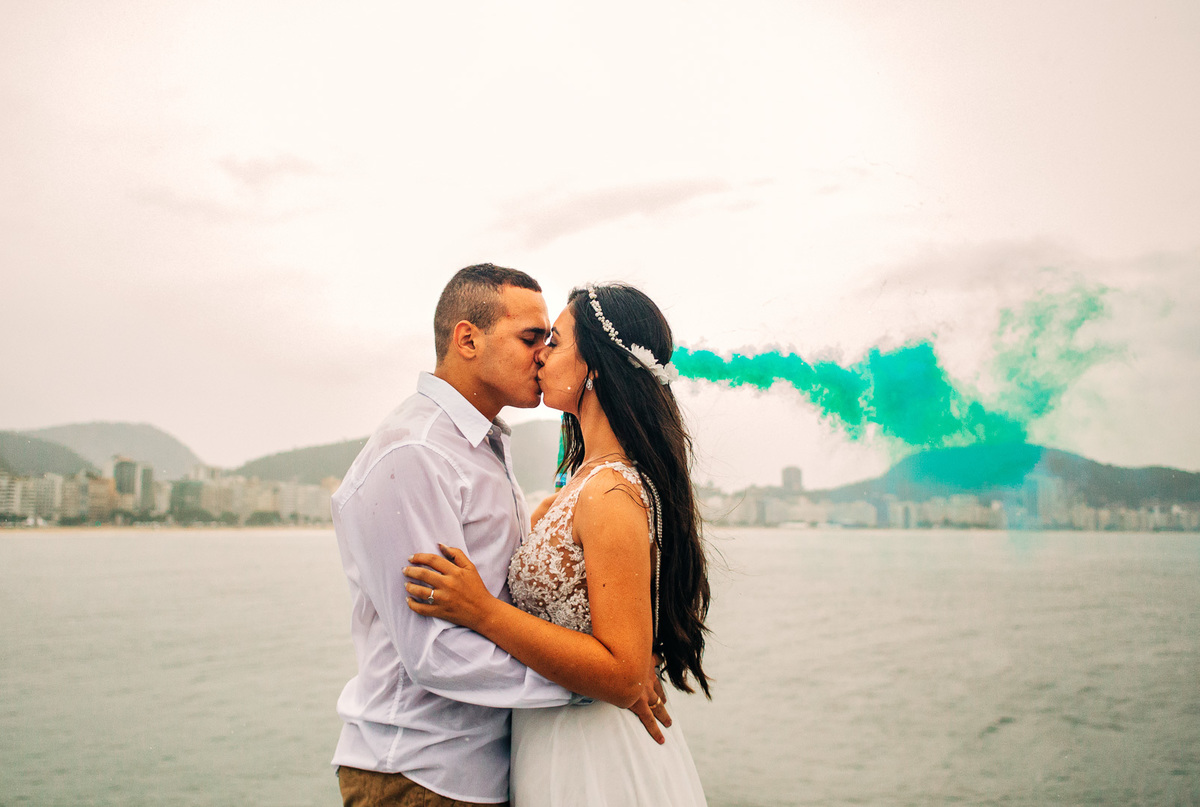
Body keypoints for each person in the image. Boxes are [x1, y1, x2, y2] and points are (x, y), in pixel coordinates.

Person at [330, 266, 668, 807]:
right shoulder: (415, 453)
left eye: (551, 341)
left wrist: (609, 674)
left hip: (495, 765)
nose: (541, 355)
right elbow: (435, 652)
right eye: (531, 338)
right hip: (422, 770)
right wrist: (598, 685)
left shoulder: (487, 445)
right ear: (468, 339)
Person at [405, 282, 712, 806]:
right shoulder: (581, 488)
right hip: (547, 741)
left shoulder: (611, 493)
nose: (542, 352)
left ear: (593, 365)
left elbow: (624, 673)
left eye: (557, 340)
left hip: (593, 759)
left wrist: (482, 612)